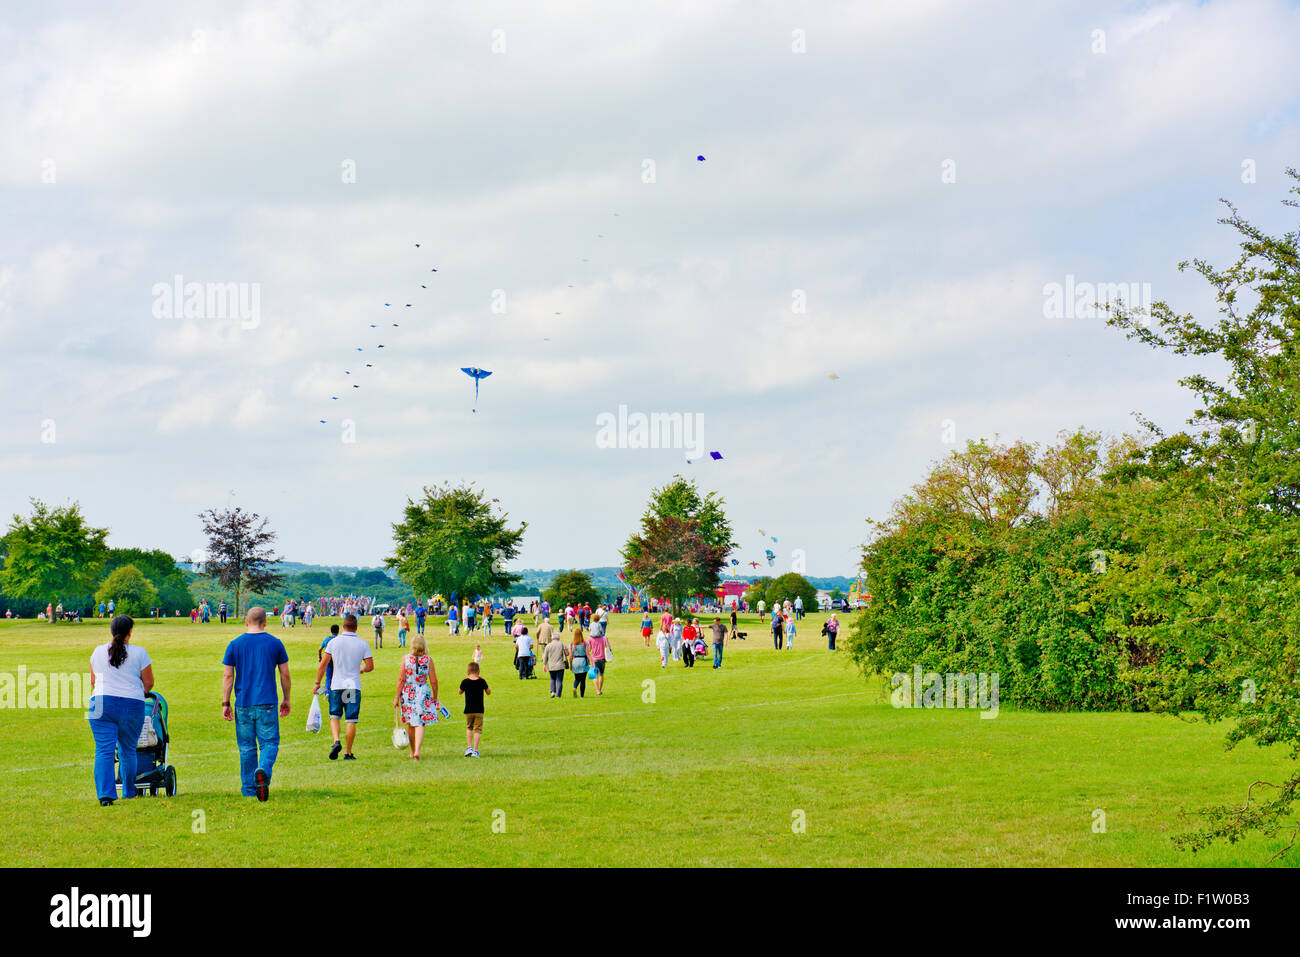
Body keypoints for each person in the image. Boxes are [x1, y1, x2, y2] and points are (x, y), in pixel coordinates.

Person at [221, 607, 290, 801]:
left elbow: (228, 675)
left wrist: (226, 702)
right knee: (269, 743)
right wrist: (286, 698)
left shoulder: (234, 645)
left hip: (243, 703)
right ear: (265, 622)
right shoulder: (275, 643)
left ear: (246, 622)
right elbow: (284, 674)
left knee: (246, 747)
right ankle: (264, 770)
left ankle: (250, 789)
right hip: (267, 701)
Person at [88, 615, 155, 805]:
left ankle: (106, 796)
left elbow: (94, 682)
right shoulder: (140, 653)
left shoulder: (97, 652)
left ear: (111, 631)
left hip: (101, 703)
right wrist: (138, 690)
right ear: (130, 632)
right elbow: (148, 683)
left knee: (104, 750)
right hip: (131, 704)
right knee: (128, 750)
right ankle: (129, 791)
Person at [313, 613, 374, 760]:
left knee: (334, 716)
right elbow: (370, 666)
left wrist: (317, 683)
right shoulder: (362, 644)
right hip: (352, 686)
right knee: (351, 719)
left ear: (343, 627)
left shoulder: (333, 642)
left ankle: (336, 740)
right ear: (356, 627)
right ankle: (348, 752)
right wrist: (362, 669)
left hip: (336, 685)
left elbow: (323, 664)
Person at [394, 632, 439, 760]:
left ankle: (412, 751)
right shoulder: (428, 660)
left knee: (410, 723)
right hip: (423, 691)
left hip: (408, 691)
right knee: (420, 722)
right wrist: (435, 697)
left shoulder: (405, 659)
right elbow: (434, 681)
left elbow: (401, 679)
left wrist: (397, 697)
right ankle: (417, 750)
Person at [458, 661, 490, 757]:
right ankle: (475, 750)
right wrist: (483, 680)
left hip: (468, 710)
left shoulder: (465, 681)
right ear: (479, 672)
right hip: (479, 710)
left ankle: (469, 748)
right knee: (477, 730)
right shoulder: (481, 681)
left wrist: (464, 682)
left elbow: (460, 692)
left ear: (468, 672)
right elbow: (488, 692)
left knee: (469, 728)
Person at [542, 629, 569, 698]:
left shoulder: (548, 646)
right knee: (559, 680)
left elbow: (545, 657)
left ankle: (553, 692)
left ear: (552, 638)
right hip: (560, 665)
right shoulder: (562, 644)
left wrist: (544, 665)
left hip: (551, 666)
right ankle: (558, 695)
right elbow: (567, 653)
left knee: (552, 679)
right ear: (559, 638)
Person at [587, 620, 611, 695]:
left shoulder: (590, 638)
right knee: (601, 674)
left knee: (595, 675)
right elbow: (608, 647)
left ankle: (597, 690)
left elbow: (589, 649)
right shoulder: (604, 638)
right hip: (602, 658)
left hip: (594, 659)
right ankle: (600, 689)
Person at [318, 623, 340, 696]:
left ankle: (327, 692)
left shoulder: (327, 639)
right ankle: (336, 692)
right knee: (337, 676)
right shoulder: (339, 639)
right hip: (337, 660)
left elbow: (319, 649)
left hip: (328, 660)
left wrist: (320, 657)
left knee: (328, 677)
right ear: (338, 631)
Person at [569, 628, 589, 697]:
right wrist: (591, 662)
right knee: (583, 679)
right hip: (583, 661)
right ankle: (582, 695)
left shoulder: (572, 644)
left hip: (575, 662)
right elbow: (588, 654)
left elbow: (571, 656)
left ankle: (574, 687)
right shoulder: (585, 643)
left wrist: (570, 665)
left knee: (577, 678)